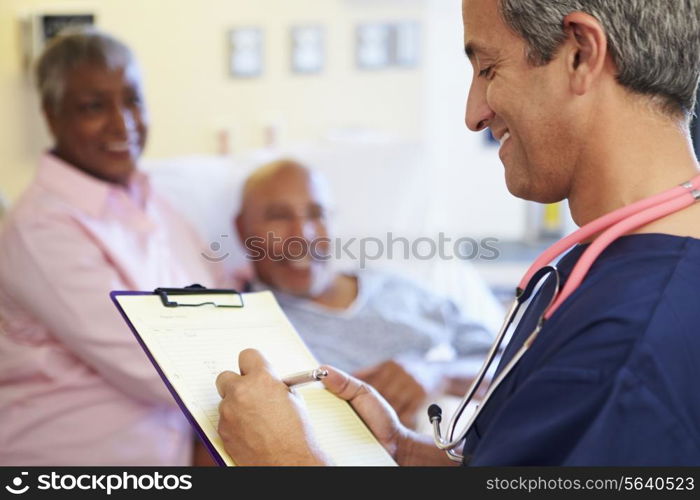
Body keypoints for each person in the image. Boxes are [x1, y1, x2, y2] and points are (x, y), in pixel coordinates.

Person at [215, 0, 700, 466]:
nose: (473, 115)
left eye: (488, 68)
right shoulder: (600, 272)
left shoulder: (630, 340)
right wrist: (404, 452)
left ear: (580, 54)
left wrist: (289, 463)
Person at [0, 28, 221, 465]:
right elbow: (156, 369)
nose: (123, 123)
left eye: (133, 99)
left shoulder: (153, 200)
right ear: (51, 115)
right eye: (94, 107)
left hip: (185, 446)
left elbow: (223, 302)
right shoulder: (40, 229)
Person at [234, 159, 498, 427]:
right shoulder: (249, 327)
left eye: (316, 214)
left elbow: (509, 364)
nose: (302, 235)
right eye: (279, 216)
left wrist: (438, 375)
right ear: (241, 229)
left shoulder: (399, 289)